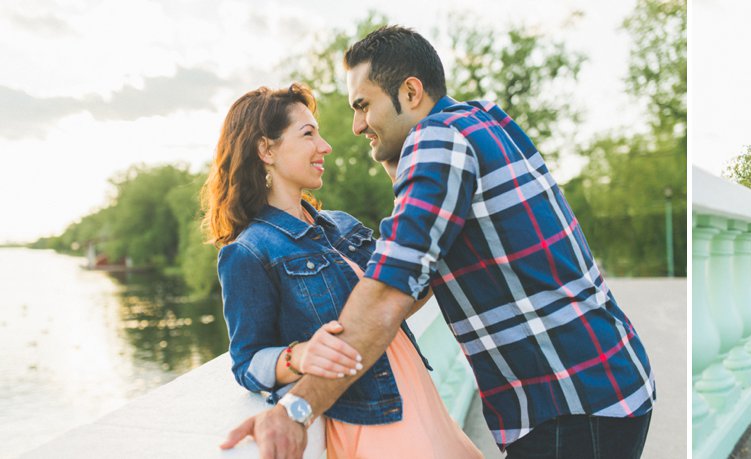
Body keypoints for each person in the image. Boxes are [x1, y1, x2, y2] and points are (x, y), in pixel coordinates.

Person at [222, 26, 656, 459]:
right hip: (603, 381)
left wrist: (297, 409)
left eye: (363, 105)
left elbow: (391, 292)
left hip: (570, 401)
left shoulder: (434, 142)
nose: (354, 127)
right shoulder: (484, 119)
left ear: (411, 92)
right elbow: (418, 270)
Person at [204, 83, 482, 458]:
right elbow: (247, 361)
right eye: (308, 135)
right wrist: (298, 356)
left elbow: (395, 298)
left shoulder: (341, 225)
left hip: (416, 392)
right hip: (370, 417)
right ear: (266, 149)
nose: (325, 146)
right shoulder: (248, 252)